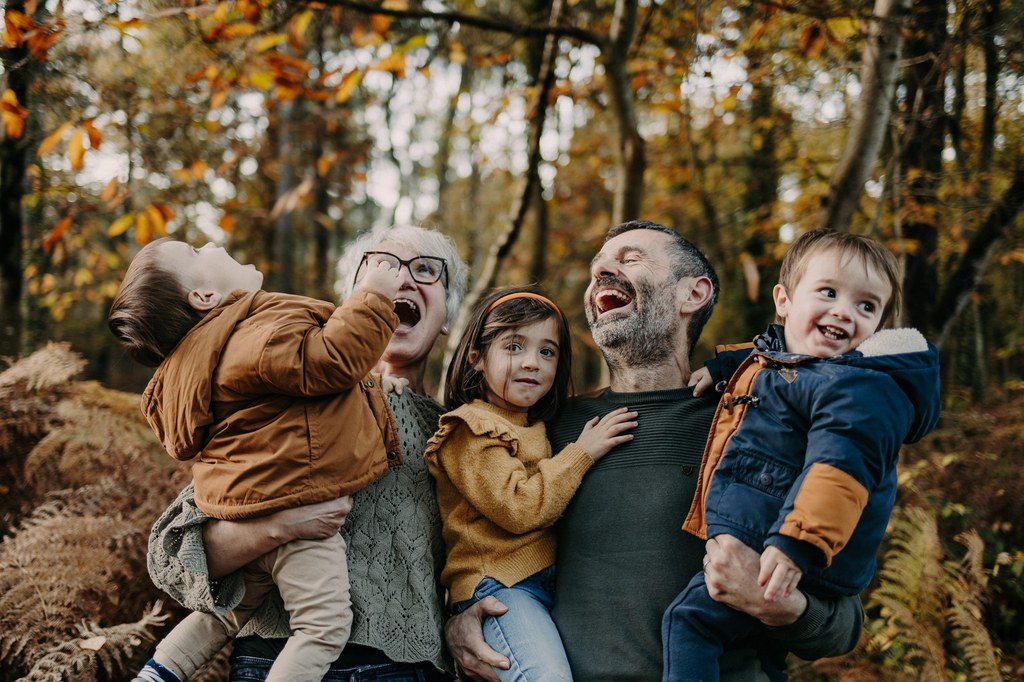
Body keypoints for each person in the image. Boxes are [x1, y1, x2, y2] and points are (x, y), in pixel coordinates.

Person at [447, 220, 866, 681]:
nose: (602, 272)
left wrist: (777, 601)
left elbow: (842, 623)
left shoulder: (757, 426)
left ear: (694, 294)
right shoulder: (547, 430)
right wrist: (459, 621)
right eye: (596, 268)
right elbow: (472, 552)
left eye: (629, 259)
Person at [142, 224, 467, 681]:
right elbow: (168, 555)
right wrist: (276, 527)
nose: (403, 278)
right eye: (382, 265)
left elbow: (477, 558)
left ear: (449, 315)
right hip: (274, 658)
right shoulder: (283, 397)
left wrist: (465, 617)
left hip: (406, 670)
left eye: (427, 270)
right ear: (351, 301)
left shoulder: (458, 430)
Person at [661, 229, 941, 681]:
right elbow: (770, 359)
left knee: (689, 622)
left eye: (866, 306)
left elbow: (839, 470)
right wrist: (721, 368)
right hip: (782, 541)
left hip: (793, 550)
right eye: (828, 292)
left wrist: (796, 545)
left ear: (879, 328)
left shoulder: (861, 390)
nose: (843, 312)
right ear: (784, 300)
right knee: (757, 649)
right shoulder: (808, 369)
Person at [423, 286, 638, 681]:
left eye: (547, 352)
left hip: (543, 583)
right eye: (513, 347)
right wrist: (582, 454)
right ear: (477, 359)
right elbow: (519, 508)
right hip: (499, 588)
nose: (531, 363)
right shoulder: (470, 430)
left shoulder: (534, 425)